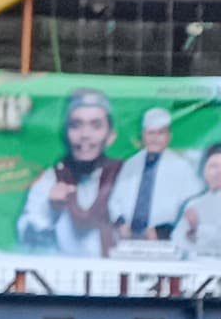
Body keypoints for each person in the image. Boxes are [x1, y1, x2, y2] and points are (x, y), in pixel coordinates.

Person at [15, 89, 121, 262]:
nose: (85, 135)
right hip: (65, 279)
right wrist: (51, 210)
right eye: (76, 125)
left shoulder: (125, 177)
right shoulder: (50, 179)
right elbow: (26, 241)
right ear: (65, 133)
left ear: (110, 136)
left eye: (95, 126)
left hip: (118, 278)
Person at [106, 104, 203, 252]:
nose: (155, 138)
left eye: (160, 133)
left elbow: (193, 207)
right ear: (143, 135)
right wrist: (120, 223)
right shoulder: (130, 164)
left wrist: (163, 231)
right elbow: (115, 201)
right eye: (150, 133)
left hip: (166, 242)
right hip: (128, 242)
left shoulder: (183, 168)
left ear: (169, 136)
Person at [170, 137, 221, 258]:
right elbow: (177, 241)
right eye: (213, 166)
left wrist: (197, 229)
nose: (219, 172)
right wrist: (192, 232)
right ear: (204, 171)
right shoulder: (194, 204)